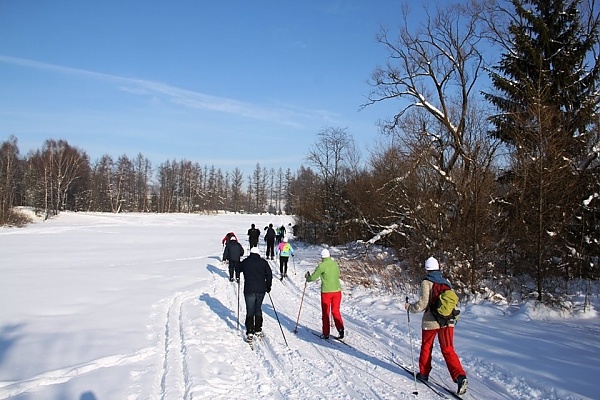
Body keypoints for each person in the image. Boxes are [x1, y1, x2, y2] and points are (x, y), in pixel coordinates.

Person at [405, 256, 468, 396]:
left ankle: (424, 373)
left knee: (427, 346)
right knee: (448, 349)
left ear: (426, 268)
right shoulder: (445, 282)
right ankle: (460, 377)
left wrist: (410, 307)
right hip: (448, 320)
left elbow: (422, 304)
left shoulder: (426, 282)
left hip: (431, 322)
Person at [305, 249, 344, 339]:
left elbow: (313, 277)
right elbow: (338, 274)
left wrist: (307, 278)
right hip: (337, 291)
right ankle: (341, 330)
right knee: (336, 311)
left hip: (326, 292)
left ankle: (326, 333)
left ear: (322, 257)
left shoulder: (321, 266)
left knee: (326, 312)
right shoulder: (335, 264)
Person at [237, 247, 273, 339]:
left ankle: (250, 331)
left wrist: (238, 275)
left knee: (250, 310)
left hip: (249, 289)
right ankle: (258, 329)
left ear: (250, 253)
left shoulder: (246, 262)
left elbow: (238, 268)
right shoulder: (263, 262)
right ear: (258, 253)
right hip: (261, 289)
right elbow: (269, 274)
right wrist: (268, 286)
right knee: (258, 308)